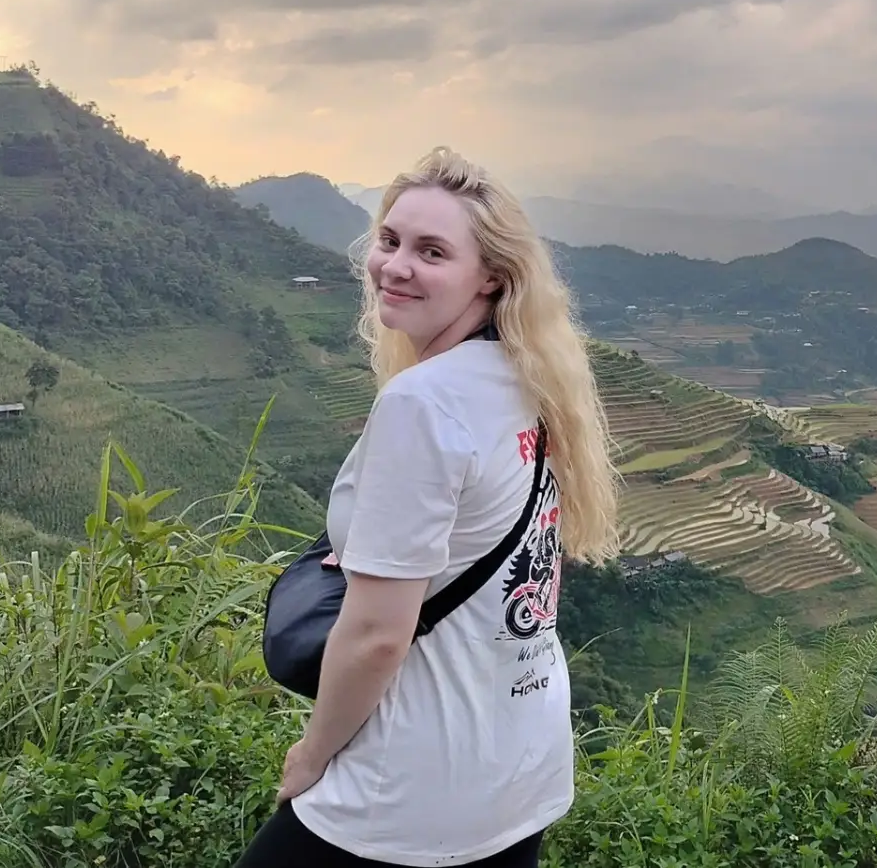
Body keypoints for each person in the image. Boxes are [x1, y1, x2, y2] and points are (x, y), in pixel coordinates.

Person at [236, 147, 622, 867]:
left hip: (409, 784)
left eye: (432, 251)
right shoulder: (528, 377)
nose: (395, 264)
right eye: (389, 240)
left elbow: (380, 638)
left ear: (492, 277)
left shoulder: (425, 401)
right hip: (521, 766)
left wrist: (313, 756)